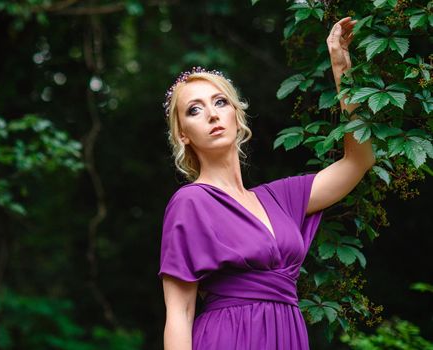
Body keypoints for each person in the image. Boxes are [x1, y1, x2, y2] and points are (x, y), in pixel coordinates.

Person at [157, 17, 376, 350]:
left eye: (220, 103)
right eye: (194, 110)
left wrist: (343, 73)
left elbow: (358, 161)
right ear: (183, 135)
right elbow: (179, 313)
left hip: (286, 336)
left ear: (236, 115)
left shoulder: (281, 199)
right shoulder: (190, 203)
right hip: (226, 338)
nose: (213, 115)